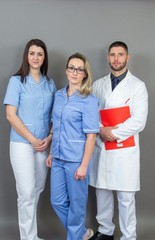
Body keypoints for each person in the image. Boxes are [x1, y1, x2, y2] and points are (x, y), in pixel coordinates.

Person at [89, 41, 148, 240]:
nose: (116, 59)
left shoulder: (138, 86)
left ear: (127, 57)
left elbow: (139, 121)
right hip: (102, 148)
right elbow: (90, 114)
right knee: (102, 192)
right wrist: (100, 129)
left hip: (124, 150)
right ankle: (105, 231)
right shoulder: (97, 85)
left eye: (120, 54)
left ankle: (128, 236)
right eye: (112, 54)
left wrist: (111, 133)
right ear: (108, 57)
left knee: (125, 197)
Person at [3, 39, 57, 240]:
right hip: (22, 144)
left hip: (43, 145)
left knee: (37, 189)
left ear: (44, 58)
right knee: (26, 193)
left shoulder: (50, 84)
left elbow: (55, 115)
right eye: (32, 53)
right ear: (26, 56)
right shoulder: (16, 81)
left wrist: (49, 137)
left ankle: (32, 235)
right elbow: (11, 115)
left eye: (40, 54)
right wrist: (32, 139)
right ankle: (28, 238)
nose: (36, 57)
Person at [46, 52, 99, 240]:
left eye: (79, 69)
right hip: (58, 158)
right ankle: (82, 233)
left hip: (77, 160)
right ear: (66, 70)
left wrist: (84, 165)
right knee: (57, 201)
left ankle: (75, 236)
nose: (75, 72)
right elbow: (56, 125)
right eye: (71, 68)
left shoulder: (89, 100)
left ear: (85, 73)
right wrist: (52, 152)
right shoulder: (59, 95)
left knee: (76, 206)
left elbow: (91, 136)